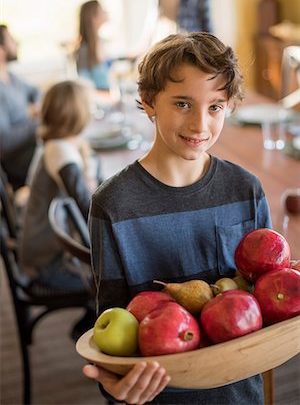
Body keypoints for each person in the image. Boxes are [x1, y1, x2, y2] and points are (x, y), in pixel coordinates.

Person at [83, 32, 272, 404]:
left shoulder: (245, 190)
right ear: (148, 101)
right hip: (161, 394)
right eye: (183, 104)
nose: (200, 125)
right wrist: (114, 386)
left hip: (240, 392)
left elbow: (263, 305)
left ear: (229, 106)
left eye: (215, 107)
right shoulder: (113, 205)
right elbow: (112, 328)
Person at [20, 79, 101, 292]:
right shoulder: (61, 152)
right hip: (48, 263)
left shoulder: (59, 143)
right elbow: (88, 207)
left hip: (44, 252)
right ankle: (86, 324)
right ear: (79, 115)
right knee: (118, 283)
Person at [0, 24, 41, 190]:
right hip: (16, 160)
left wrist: (36, 107)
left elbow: (35, 91)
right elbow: (3, 141)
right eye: (11, 40)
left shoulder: (10, 77)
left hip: (32, 145)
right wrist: (37, 122)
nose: (16, 43)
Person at [74, 0, 110, 91]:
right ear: (93, 18)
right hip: (100, 99)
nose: (106, 12)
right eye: (102, 10)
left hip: (107, 94)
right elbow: (85, 87)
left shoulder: (100, 41)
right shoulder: (83, 49)